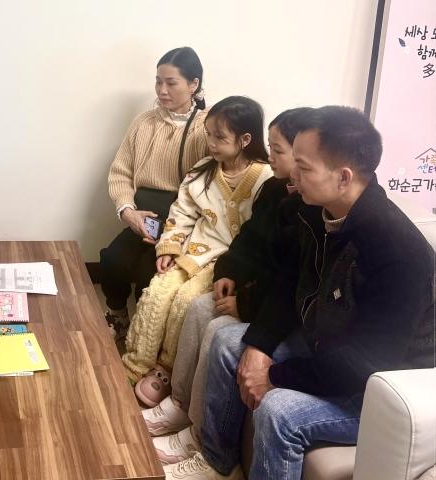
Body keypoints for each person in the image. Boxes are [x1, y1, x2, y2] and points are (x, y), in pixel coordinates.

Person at [162, 106, 435, 480]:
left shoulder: (398, 250)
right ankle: (216, 461)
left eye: (304, 167)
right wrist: (259, 348)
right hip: (329, 346)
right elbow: (288, 284)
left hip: (386, 388)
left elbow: (367, 363)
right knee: (229, 343)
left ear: (343, 177)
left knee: (279, 413)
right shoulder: (313, 213)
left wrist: (276, 376)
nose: (293, 175)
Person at [139, 107, 308, 464]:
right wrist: (228, 272)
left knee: (218, 329)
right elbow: (250, 241)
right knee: (200, 307)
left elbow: (290, 281)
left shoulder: (308, 206)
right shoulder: (277, 190)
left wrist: (244, 303)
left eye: (277, 149)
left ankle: (199, 435)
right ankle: (180, 403)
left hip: (280, 310)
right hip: (259, 291)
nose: (270, 155)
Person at [122, 96, 273, 407]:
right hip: (195, 251)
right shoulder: (202, 171)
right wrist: (169, 246)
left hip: (228, 263)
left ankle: (166, 368)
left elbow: (261, 236)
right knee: (158, 291)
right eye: (209, 134)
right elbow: (182, 213)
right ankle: (135, 363)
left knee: (185, 301)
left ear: (245, 139)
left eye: (220, 137)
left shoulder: (265, 179)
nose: (211, 143)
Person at [101, 46, 210, 339]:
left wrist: (178, 233)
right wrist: (128, 212)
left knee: (147, 274)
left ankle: (145, 336)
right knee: (112, 260)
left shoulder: (207, 127)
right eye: (158, 81)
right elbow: (120, 173)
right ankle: (118, 317)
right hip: (142, 217)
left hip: (180, 223)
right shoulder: (143, 122)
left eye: (171, 83)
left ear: (194, 84)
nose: (162, 90)